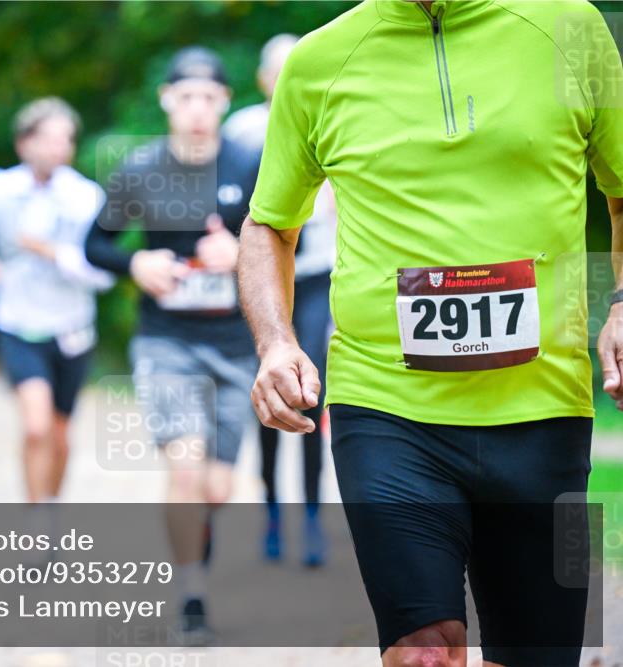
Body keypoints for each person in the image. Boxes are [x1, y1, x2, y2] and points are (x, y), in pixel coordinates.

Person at [238, 0, 622, 665]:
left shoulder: (569, 26)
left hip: (543, 405)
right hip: (386, 404)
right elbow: (269, 223)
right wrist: (275, 341)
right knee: (424, 649)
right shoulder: (320, 60)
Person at [85, 47, 260, 644]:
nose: (196, 110)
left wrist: (241, 254)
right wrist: (136, 260)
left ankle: (195, 559)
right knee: (185, 466)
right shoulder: (138, 169)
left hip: (237, 342)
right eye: (185, 97)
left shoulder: (250, 163)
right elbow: (95, 245)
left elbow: (287, 241)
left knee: (217, 488)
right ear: (166, 100)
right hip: (168, 340)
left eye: (208, 98)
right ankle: (191, 594)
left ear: (224, 102)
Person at [0, 97, 113, 508]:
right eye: (48, 139)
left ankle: (50, 506)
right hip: (15, 320)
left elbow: (104, 272)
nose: (57, 148)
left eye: (65, 140)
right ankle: (35, 516)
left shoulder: (86, 198)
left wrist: (55, 254)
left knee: (60, 433)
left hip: (71, 324)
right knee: (36, 427)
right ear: (23, 144)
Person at [223, 33, 336, 565]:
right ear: (265, 79)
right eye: (281, 69)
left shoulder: (335, 110)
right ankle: (271, 510)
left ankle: (313, 517)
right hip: (265, 279)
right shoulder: (243, 131)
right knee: (267, 392)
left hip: (315, 276)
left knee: (310, 390)